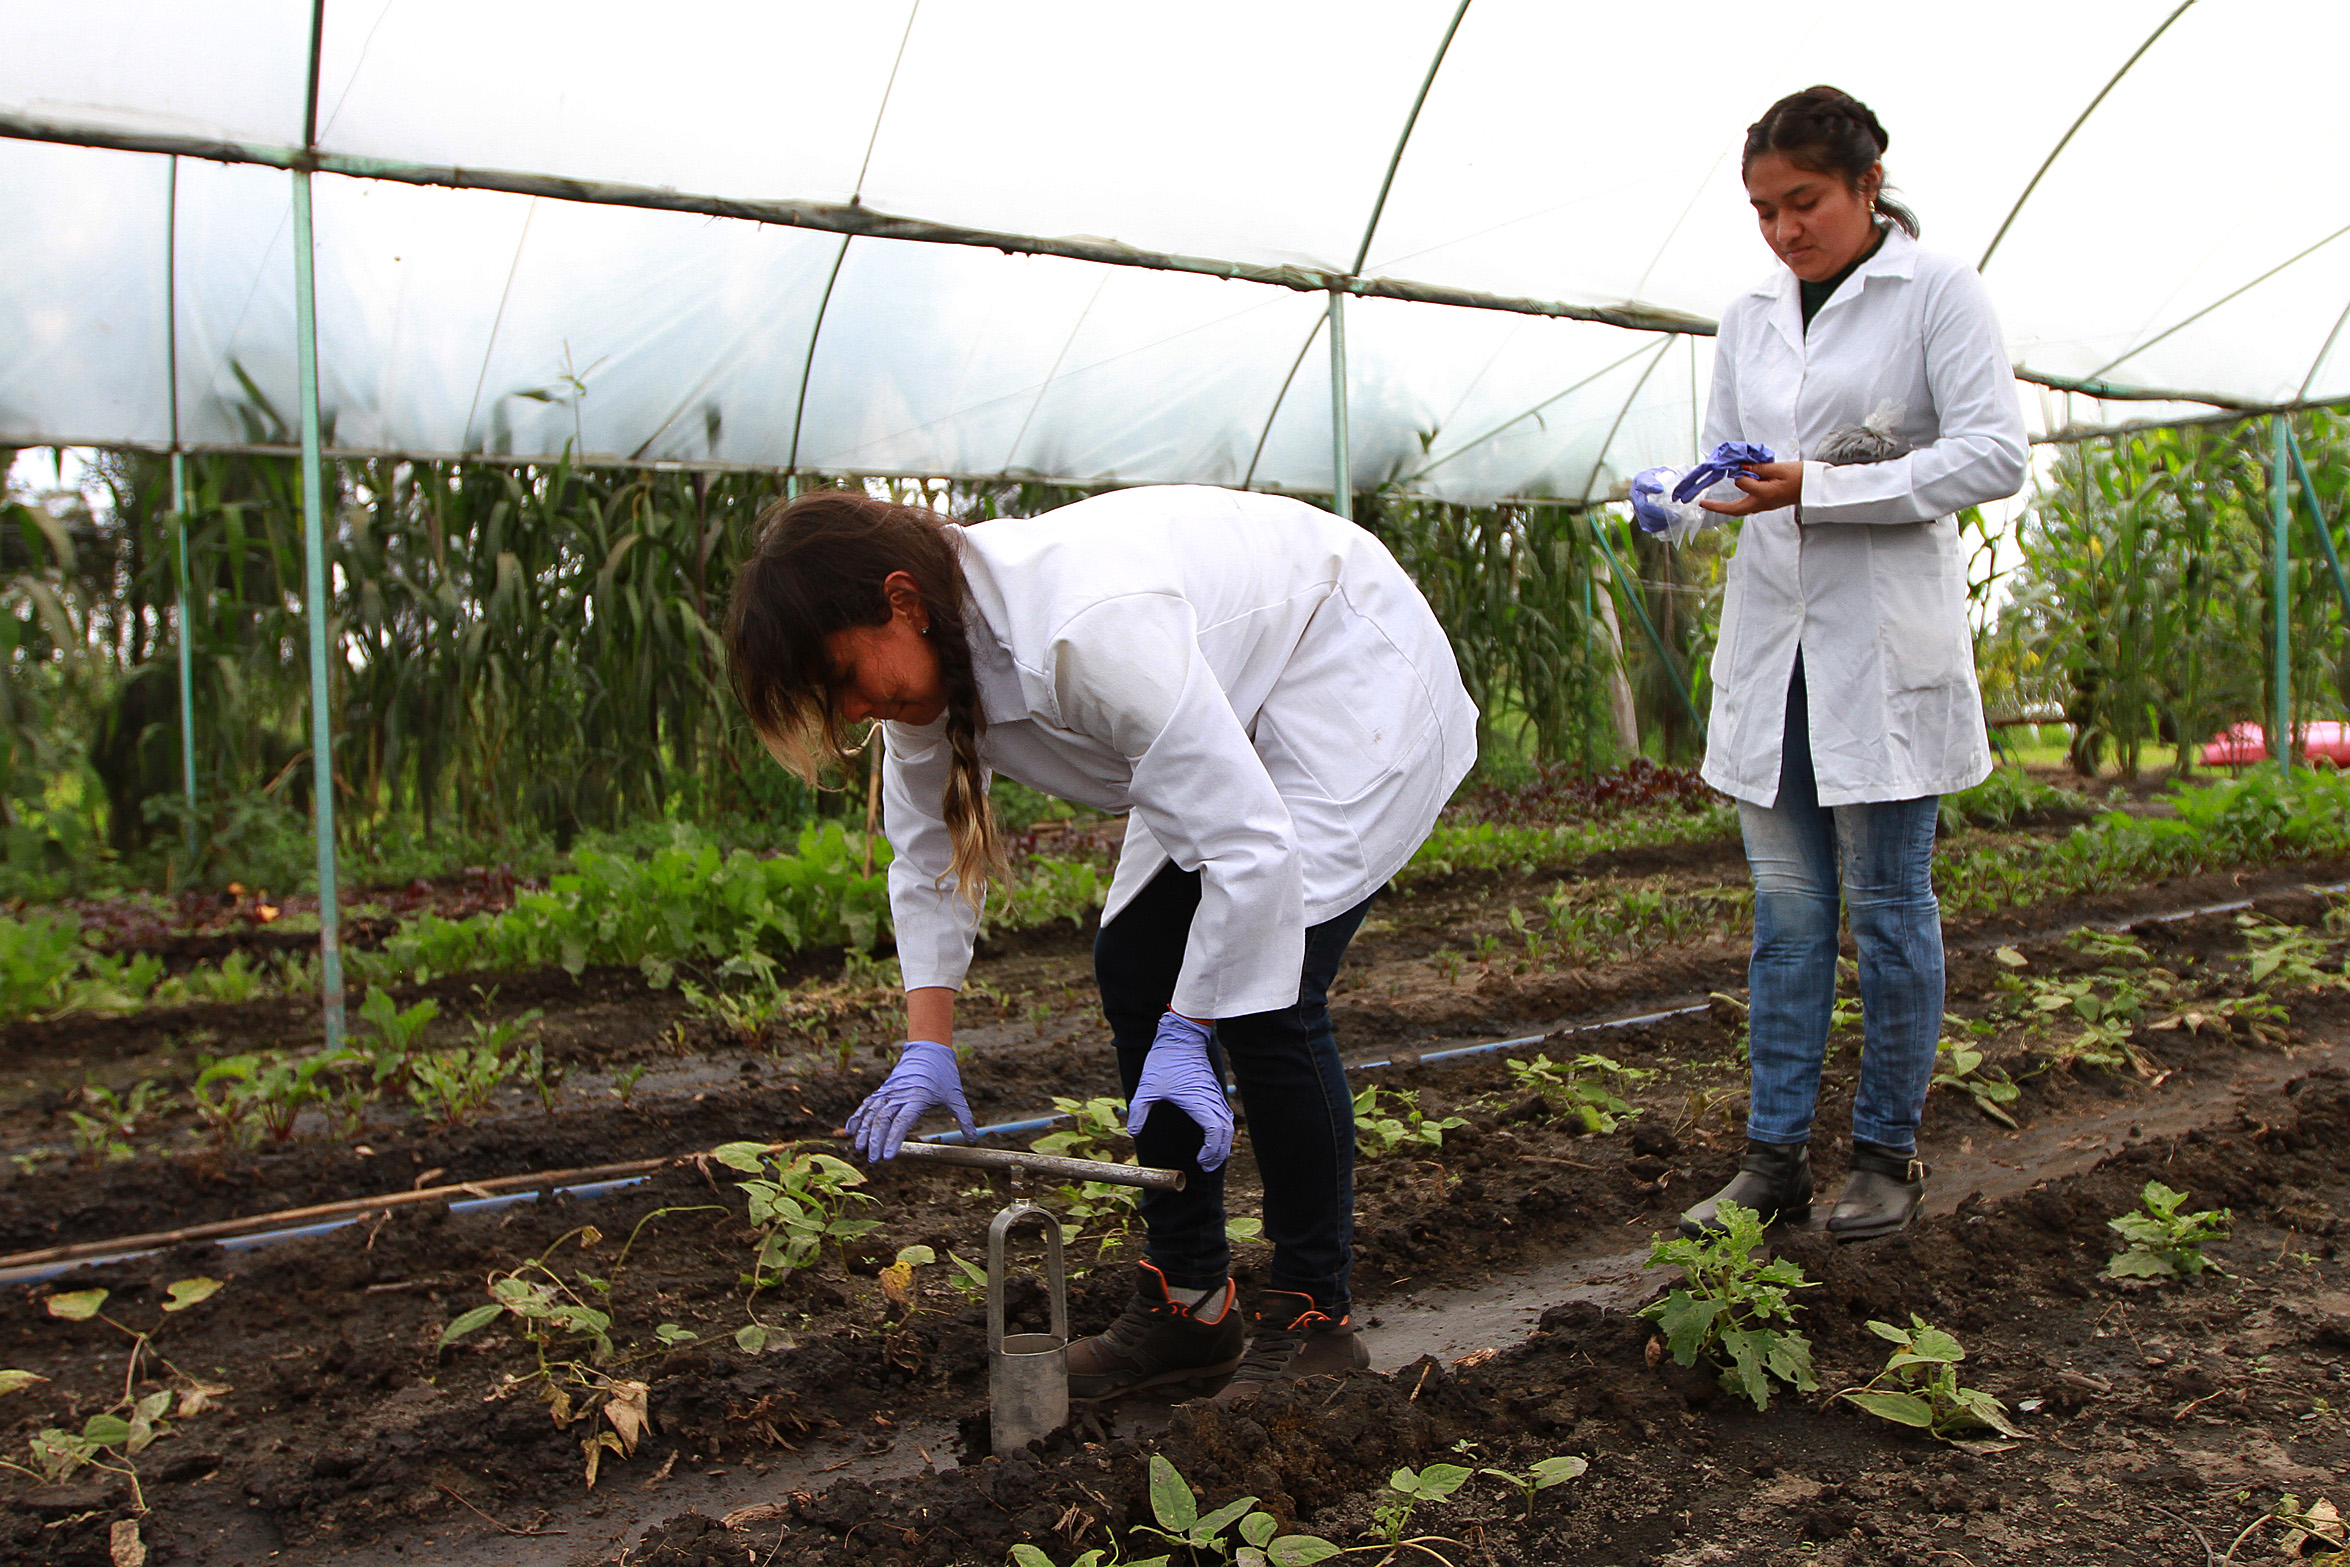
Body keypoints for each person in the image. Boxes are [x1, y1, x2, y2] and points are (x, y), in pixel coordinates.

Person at [725, 484, 1476, 1400]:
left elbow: (1249, 847)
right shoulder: (935, 667)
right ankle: (1189, 1303)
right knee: (1133, 961)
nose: (847, 712)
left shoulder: (1084, 630)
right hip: (1225, 698)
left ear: (901, 601)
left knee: (1271, 998)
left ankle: (1316, 1318)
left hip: (1343, 669)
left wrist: (1191, 1026)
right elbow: (923, 856)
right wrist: (928, 1043)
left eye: (843, 677)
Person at [1675, 86, 2027, 1244]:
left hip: (1880, 657)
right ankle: (1770, 1163)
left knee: (1885, 911)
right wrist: (1692, 499)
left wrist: (1821, 486)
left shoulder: (1937, 294)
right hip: (1774, 654)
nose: (1783, 231)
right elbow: (1738, 469)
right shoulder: (1748, 315)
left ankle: (1883, 1157)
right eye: (1764, 210)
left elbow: (1989, 456)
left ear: (1866, 186)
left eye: (1804, 203)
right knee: (1784, 919)